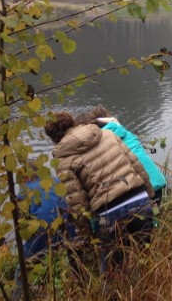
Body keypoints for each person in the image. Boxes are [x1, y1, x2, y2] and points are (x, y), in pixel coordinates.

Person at [45, 111, 155, 273]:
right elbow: (137, 166)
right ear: (73, 123)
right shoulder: (107, 134)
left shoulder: (63, 160)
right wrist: (150, 197)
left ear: (54, 139)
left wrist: (85, 235)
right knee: (145, 262)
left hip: (109, 214)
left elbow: (77, 203)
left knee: (112, 276)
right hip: (140, 200)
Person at [74, 108, 168, 206]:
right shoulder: (123, 131)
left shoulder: (102, 143)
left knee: (147, 217)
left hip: (139, 187)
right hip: (156, 178)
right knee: (156, 214)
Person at [12, 164, 77, 300]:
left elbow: (23, 228)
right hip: (68, 225)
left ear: (25, 178)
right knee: (73, 256)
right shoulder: (56, 181)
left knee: (23, 266)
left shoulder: (24, 191)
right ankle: (80, 285)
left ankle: (17, 297)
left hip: (43, 230)